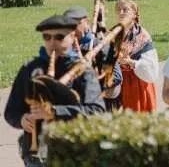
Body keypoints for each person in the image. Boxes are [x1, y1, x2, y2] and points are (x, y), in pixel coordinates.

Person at [4, 14, 105, 166]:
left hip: (73, 154)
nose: (52, 42)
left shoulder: (83, 71)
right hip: (36, 155)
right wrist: (22, 120)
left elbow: (97, 111)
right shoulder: (29, 68)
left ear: (72, 37)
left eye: (59, 37)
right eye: (47, 37)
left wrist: (55, 112)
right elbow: (11, 111)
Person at [63, 6, 122, 107]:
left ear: (86, 21)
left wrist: (93, 80)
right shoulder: (64, 48)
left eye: (75, 23)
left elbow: (116, 76)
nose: (70, 28)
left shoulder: (99, 46)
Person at [109, 0, 159, 112]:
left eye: (125, 9)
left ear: (134, 13)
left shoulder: (142, 36)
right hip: (116, 84)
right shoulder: (111, 34)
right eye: (118, 10)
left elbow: (152, 68)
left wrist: (130, 62)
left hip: (138, 85)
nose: (121, 12)